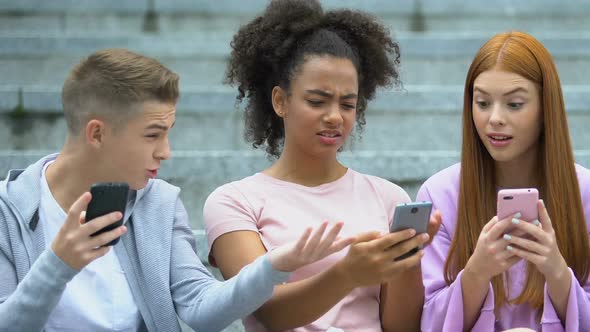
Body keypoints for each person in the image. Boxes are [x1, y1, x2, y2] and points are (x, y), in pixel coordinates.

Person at [0, 48, 353, 332]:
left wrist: (273, 265)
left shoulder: (158, 203)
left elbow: (202, 309)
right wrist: (58, 264)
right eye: (153, 134)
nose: (165, 152)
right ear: (97, 134)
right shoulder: (8, 210)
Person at [204, 0, 441, 331]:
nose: (335, 117)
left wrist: (406, 259)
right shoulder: (234, 201)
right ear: (280, 101)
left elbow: (401, 326)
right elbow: (267, 312)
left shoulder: (387, 196)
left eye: (348, 104)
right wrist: (347, 274)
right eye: (317, 101)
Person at [417, 31, 590, 331]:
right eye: (482, 103)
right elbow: (426, 321)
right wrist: (477, 271)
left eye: (514, 104)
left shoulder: (584, 191)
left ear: (545, 108)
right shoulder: (440, 194)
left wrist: (556, 270)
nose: (494, 118)